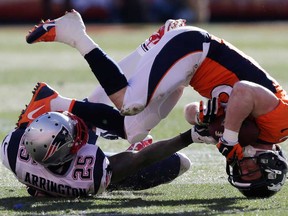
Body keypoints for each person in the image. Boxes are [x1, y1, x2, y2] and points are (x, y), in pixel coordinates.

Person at [25, 10, 288, 197]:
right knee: (131, 103)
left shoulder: (239, 141)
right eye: (252, 172)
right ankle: (74, 33)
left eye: (241, 175)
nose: (244, 167)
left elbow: (189, 112)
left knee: (134, 129)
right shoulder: (280, 126)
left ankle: (54, 103)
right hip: (195, 49)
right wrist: (229, 137)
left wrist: (204, 119)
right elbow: (243, 91)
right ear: (272, 164)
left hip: (188, 70)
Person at [0, 82, 193, 197]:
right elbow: (140, 159)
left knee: (77, 122)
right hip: (89, 178)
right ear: (68, 156)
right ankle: (102, 127)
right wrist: (190, 136)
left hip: (58, 170)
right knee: (180, 163)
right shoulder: (90, 173)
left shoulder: (12, 149)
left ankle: (97, 126)